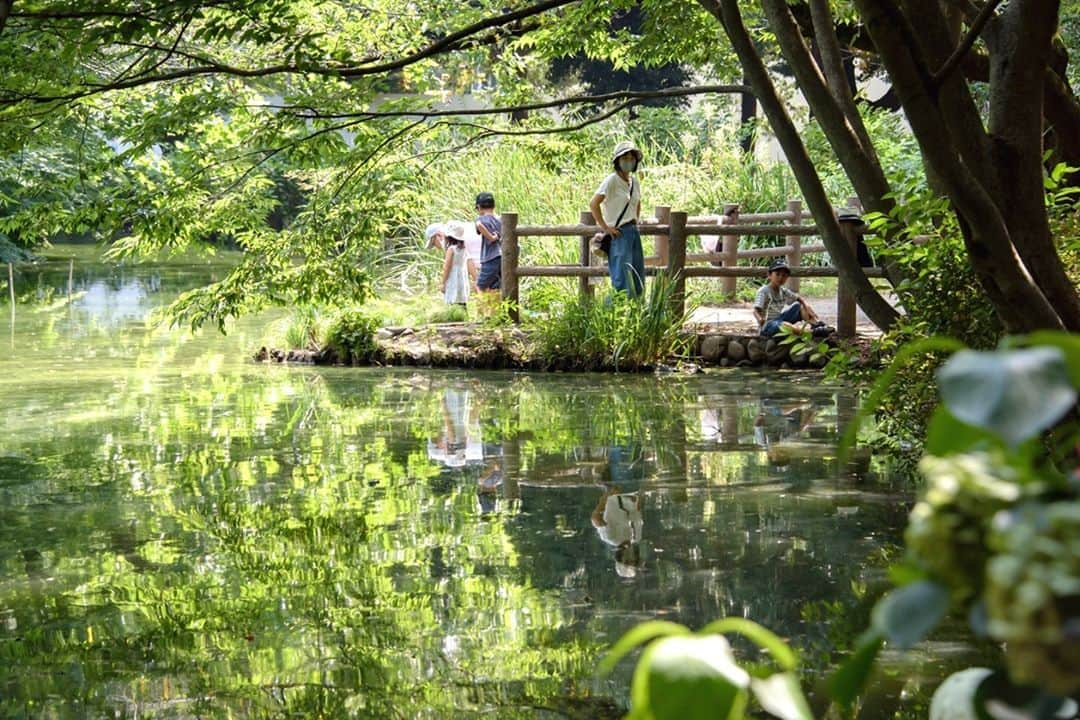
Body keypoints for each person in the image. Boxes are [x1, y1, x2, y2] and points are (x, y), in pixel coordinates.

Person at [590, 141, 645, 296]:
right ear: (617, 161)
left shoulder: (634, 182)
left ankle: (635, 315)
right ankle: (615, 314)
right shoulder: (612, 180)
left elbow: (637, 203)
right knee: (622, 279)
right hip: (619, 234)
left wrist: (636, 220)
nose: (628, 161)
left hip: (633, 231)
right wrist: (606, 228)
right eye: (625, 158)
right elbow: (594, 203)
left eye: (631, 158)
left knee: (636, 276)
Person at [753, 259, 834, 338]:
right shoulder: (764, 291)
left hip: (779, 319)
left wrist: (806, 307)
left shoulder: (783, 290)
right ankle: (812, 333)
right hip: (768, 326)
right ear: (769, 275)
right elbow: (755, 311)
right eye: (777, 274)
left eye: (784, 275)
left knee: (799, 306)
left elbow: (799, 298)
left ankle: (816, 325)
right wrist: (760, 320)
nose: (780, 278)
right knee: (783, 325)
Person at [474, 192, 502, 296]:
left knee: (480, 286)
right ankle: (496, 311)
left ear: (479, 207)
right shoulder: (500, 219)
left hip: (490, 258)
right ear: (494, 206)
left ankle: (482, 311)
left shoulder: (481, 219)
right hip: (502, 256)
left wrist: (491, 237)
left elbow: (479, 225)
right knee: (496, 287)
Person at [439, 220, 470, 308]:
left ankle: (452, 314)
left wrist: (443, 282)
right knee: (461, 297)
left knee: (452, 296)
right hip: (462, 275)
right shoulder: (463, 249)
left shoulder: (451, 249)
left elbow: (447, 267)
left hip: (453, 276)